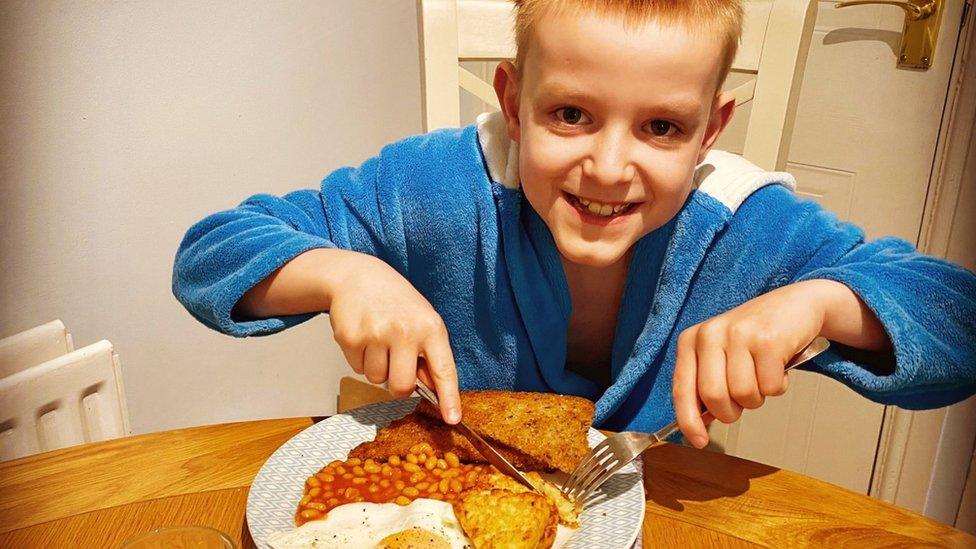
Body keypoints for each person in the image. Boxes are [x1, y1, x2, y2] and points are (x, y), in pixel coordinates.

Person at [172, 0, 976, 448]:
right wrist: (343, 272)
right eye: (571, 114)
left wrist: (824, 303)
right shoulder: (432, 187)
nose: (609, 166)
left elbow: (958, 320)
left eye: (662, 127)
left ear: (712, 127)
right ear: (512, 102)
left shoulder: (744, 226)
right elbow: (211, 252)